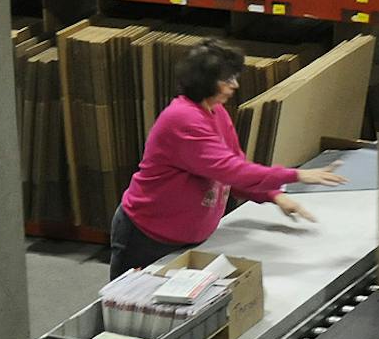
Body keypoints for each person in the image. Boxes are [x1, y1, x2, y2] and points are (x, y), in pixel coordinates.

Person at [112, 39, 345, 277]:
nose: (234, 85)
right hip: (148, 238)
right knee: (125, 307)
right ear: (205, 82)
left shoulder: (217, 113)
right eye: (227, 80)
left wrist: (273, 195)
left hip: (184, 238)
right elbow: (230, 170)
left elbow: (236, 170)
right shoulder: (183, 120)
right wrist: (297, 175)